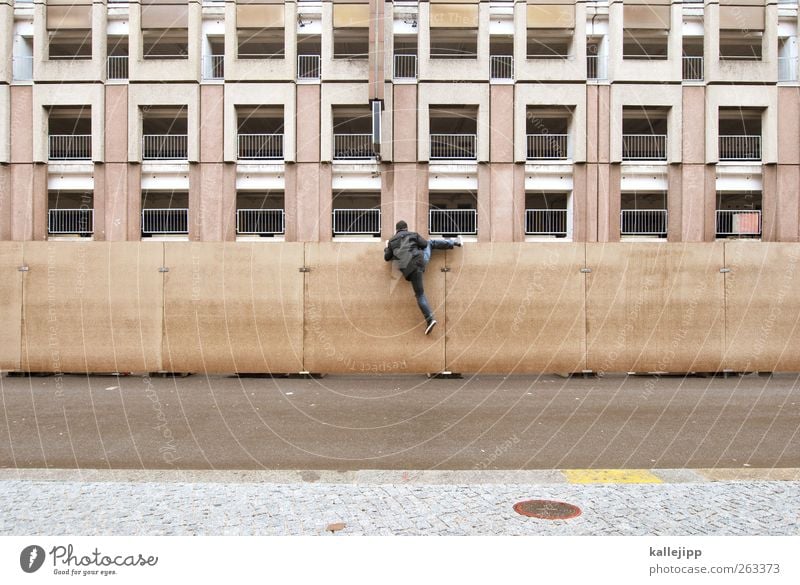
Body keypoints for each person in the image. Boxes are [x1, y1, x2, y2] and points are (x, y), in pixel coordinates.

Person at [384, 220, 462, 335]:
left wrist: (387, 247)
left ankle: (430, 319)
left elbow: (387, 257)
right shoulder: (412, 234)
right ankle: (455, 242)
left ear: (397, 230)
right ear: (406, 228)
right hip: (419, 262)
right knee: (431, 242)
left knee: (420, 295)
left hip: (408, 270)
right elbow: (425, 244)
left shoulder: (391, 241)